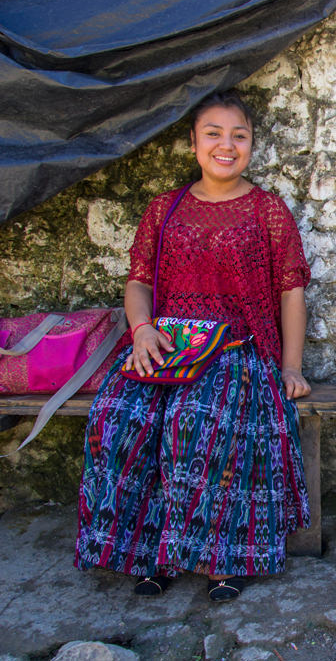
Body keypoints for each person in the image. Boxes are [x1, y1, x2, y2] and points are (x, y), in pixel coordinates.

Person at [75, 91, 313, 602]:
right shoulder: (166, 208)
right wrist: (141, 331)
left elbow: (291, 289)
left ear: (251, 144)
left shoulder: (266, 210)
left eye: (239, 135)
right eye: (213, 133)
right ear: (193, 142)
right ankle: (152, 554)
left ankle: (224, 557)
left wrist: (291, 366)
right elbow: (138, 281)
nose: (226, 145)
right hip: (166, 344)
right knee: (117, 417)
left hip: (235, 348)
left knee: (199, 423)